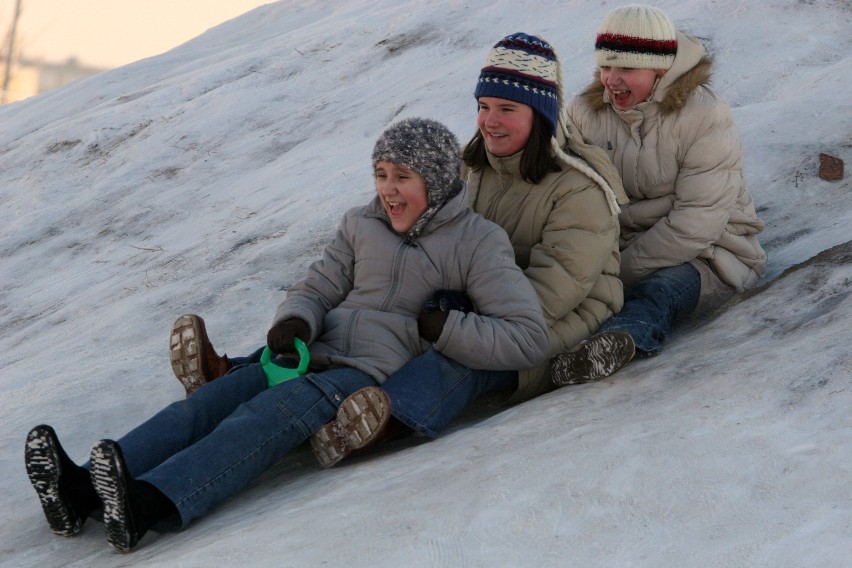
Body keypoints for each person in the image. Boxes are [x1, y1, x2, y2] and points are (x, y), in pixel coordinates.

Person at [24, 118, 549, 552]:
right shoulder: (360, 223)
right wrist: (295, 320)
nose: (387, 189)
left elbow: (527, 338)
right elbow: (318, 285)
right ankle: (85, 491)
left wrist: (445, 327)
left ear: (435, 181)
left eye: (403, 177)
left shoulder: (477, 243)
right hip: (308, 353)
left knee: (259, 419)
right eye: (381, 173)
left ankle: (149, 505)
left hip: (360, 375)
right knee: (207, 404)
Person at [169, 33, 629, 468]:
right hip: (477, 300)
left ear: (541, 114)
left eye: (507, 108)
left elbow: (547, 298)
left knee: (450, 358)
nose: (489, 121)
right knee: (352, 324)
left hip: (555, 321)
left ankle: (381, 421)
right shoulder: (477, 166)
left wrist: (447, 317)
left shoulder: (579, 191)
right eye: (483, 106)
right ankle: (234, 376)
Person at [552, 4, 767, 386]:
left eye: (627, 70)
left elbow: (694, 224)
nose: (612, 81)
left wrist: (614, 273)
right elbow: (565, 189)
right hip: (617, 248)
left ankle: (616, 344)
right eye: (605, 67)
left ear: (660, 69)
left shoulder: (705, 115)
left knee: (657, 292)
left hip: (711, 251)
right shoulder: (586, 111)